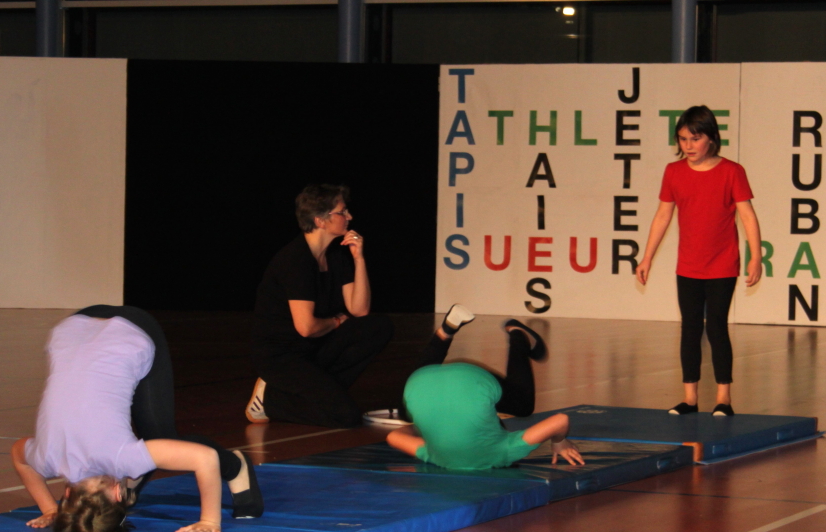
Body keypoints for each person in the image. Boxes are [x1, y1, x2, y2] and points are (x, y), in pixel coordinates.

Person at [11, 306, 262, 532]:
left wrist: (209, 520)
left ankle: (236, 466)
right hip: (74, 324)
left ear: (118, 493)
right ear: (67, 493)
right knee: (150, 442)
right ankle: (145, 462)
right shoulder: (47, 458)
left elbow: (205, 458)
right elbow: (18, 456)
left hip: (133, 327)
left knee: (161, 437)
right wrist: (49, 509)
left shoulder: (121, 457)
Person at [636, 106, 763, 417]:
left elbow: (747, 216)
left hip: (722, 264)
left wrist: (755, 257)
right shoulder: (674, 172)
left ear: (711, 138)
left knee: (716, 327)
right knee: (690, 328)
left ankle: (723, 399)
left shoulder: (732, 171)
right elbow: (663, 215)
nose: (689, 146)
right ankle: (690, 399)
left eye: (695, 139)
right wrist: (647, 257)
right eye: (683, 139)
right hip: (688, 265)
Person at [247, 184, 393, 428]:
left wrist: (359, 258)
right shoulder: (296, 260)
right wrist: (336, 322)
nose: (349, 216)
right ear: (320, 220)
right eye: (342, 212)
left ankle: (326, 391)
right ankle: (270, 400)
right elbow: (306, 327)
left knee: (379, 326)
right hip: (282, 357)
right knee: (346, 416)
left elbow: (359, 310)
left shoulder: (335, 255)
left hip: (314, 348)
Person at [386, 305, 583, 470]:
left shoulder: (505, 452)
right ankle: (444, 333)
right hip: (422, 382)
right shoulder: (436, 456)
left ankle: (518, 335)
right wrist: (429, 422)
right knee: (406, 410)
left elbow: (560, 421)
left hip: (471, 380)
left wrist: (559, 442)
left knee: (523, 407)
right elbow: (394, 437)